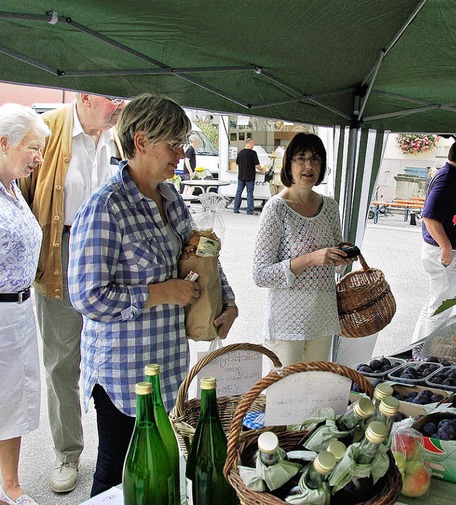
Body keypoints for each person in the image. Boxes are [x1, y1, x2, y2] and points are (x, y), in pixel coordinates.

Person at [67, 94, 238, 496]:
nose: (182, 154)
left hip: (168, 364)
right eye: (173, 144)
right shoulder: (106, 207)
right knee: (119, 474)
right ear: (141, 142)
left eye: (183, 143)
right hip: (123, 376)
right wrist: (160, 293)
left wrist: (227, 302)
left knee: (164, 467)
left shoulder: (171, 197)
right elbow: (88, 297)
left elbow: (201, 253)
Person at [18, 93, 125, 493]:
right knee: (63, 363)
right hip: (60, 261)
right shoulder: (48, 131)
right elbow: (18, 192)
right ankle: (67, 453)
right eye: (112, 98)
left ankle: (117, 447)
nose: (119, 106)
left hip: (109, 263)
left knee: (113, 358)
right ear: (84, 96)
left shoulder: (118, 137)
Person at [253, 133, 355, 365]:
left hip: (323, 316)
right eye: (301, 158)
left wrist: (341, 256)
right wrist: (310, 259)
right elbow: (261, 275)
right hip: (287, 322)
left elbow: (336, 260)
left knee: (317, 389)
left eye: (315, 159)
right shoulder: (276, 209)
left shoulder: (329, 205)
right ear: (289, 164)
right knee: (284, 393)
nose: (308, 166)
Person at [0, 104, 50, 505]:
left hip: (18, 309)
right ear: (4, 143)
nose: (38, 157)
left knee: (13, 398)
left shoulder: (14, 189)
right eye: (32, 147)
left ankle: (10, 485)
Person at [411, 139, 456, 342]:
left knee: (435, 303)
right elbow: (430, 217)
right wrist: (447, 247)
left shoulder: (451, 176)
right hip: (441, 253)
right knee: (441, 306)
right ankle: (428, 349)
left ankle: (418, 346)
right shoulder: (447, 179)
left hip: (445, 251)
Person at [233, 138, 264, 215]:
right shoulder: (253, 153)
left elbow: (237, 163)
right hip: (250, 176)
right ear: (250, 144)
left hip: (241, 176)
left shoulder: (240, 153)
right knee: (249, 193)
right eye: (253, 144)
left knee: (238, 192)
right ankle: (249, 210)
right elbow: (257, 166)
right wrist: (263, 170)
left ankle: (236, 209)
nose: (253, 145)